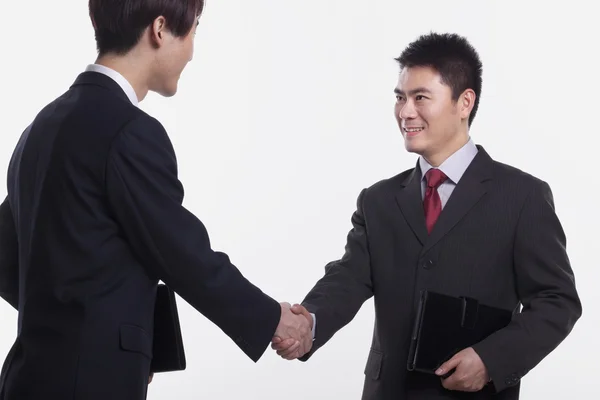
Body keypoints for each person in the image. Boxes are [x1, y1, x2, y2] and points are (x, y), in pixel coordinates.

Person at [0, 1, 312, 399]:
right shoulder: (129, 131)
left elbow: (7, 255)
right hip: (90, 384)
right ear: (160, 29)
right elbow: (182, 255)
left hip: (27, 377)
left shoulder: (41, 126)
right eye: (194, 29)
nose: (193, 49)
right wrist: (273, 320)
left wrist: (122, 340)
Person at [271, 32, 582, 399]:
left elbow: (557, 301)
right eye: (400, 98)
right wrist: (310, 321)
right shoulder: (379, 200)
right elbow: (347, 278)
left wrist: (490, 360)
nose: (405, 112)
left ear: (465, 102)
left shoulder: (522, 196)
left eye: (420, 98)